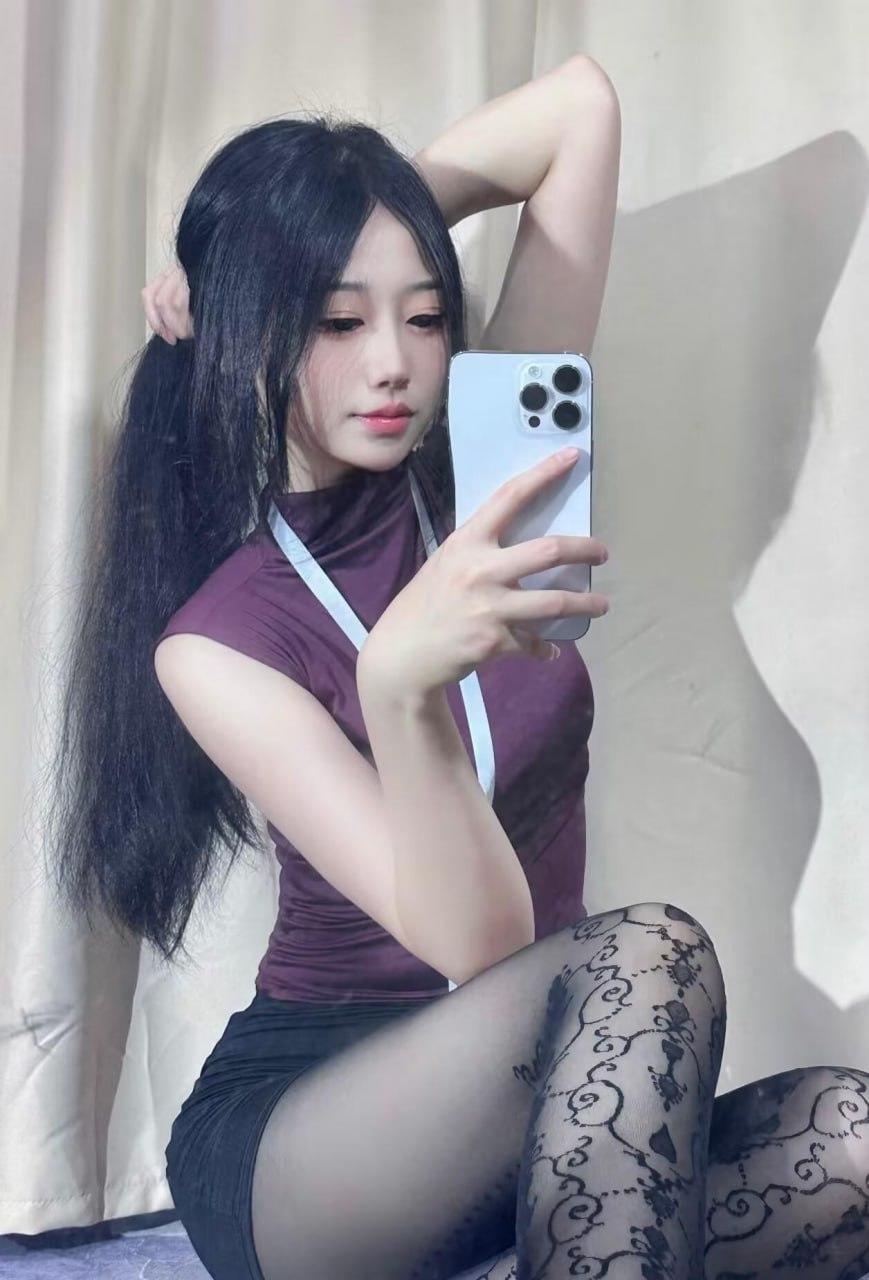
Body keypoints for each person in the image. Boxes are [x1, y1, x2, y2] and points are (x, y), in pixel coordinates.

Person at [44, 99, 869, 1280]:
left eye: (424, 315)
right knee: (646, 950)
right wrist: (400, 690)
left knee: (847, 1136)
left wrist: (305, 238)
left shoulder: (493, 476)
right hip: (320, 1133)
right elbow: (481, 943)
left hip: (551, 1092)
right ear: (255, 335)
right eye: (335, 319)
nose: (392, 360)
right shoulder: (215, 640)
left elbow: (577, 111)